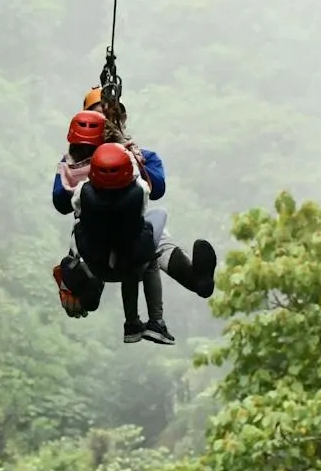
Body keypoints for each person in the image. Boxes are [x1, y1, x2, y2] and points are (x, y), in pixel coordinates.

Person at [50, 111, 215, 344]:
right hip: (126, 239)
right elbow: (152, 189)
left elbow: (63, 201)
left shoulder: (80, 172)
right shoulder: (120, 165)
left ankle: (194, 280)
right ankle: (147, 314)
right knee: (151, 247)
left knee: (148, 244)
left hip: (97, 241)